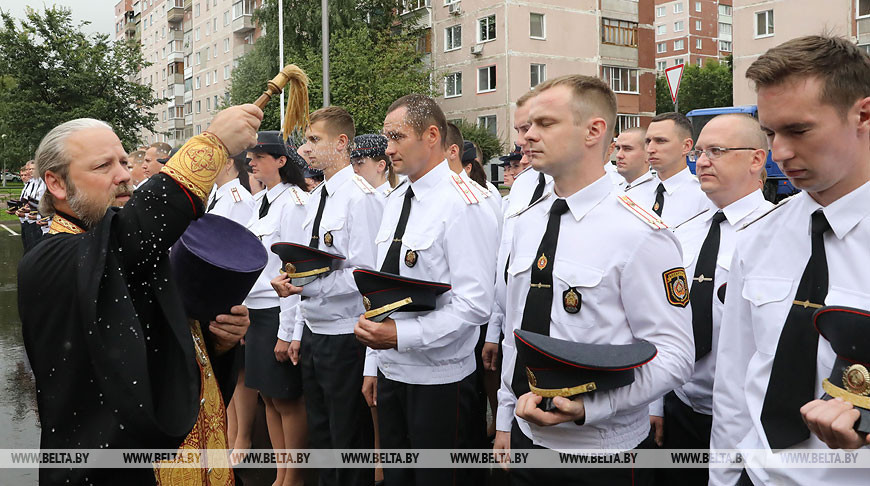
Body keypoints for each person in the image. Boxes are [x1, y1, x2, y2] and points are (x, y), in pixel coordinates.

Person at [18, 105, 261, 485]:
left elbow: (167, 351)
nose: (124, 175)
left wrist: (219, 342)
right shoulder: (52, 259)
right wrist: (212, 145)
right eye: (103, 167)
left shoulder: (134, 254)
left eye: (123, 161)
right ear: (57, 184)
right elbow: (133, 235)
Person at [493, 75, 693, 485]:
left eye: (545, 124)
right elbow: (520, 331)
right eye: (528, 125)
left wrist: (590, 407)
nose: (527, 136)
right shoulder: (529, 220)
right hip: (526, 436)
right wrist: (504, 416)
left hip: (602, 453)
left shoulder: (639, 233)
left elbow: (675, 356)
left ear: (594, 131)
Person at [711, 35, 870, 486]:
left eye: (798, 131)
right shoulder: (761, 235)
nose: (779, 154)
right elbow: (737, 380)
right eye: (770, 133)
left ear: (863, 114)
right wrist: (723, 477)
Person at [355, 94, 497, 486]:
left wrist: (400, 336)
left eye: (398, 137)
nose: (388, 148)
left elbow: (474, 304)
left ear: (432, 135)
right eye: (387, 138)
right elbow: (382, 286)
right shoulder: (397, 198)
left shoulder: (466, 202)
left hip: (440, 382)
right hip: (392, 373)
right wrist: (374, 363)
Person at [649, 113, 772, 485]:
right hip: (679, 407)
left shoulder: (776, 234)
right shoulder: (681, 234)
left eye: (716, 151)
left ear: (755, 160)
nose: (701, 161)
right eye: (699, 152)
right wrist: (655, 402)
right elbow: (661, 324)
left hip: (749, 420)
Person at [273, 106, 383, 486]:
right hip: (317, 330)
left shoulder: (361, 197)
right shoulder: (318, 196)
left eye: (314, 140)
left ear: (342, 143)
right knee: (322, 436)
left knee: (347, 437)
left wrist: (308, 286)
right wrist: (290, 286)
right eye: (306, 140)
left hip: (345, 333)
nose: (305, 149)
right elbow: (309, 263)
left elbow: (366, 275)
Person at [241, 131, 310, 486]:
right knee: (268, 398)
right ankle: (280, 476)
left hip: (277, 311)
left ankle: (294, 477)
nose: (251, 161)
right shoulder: (261, 200)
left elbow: (295, 270)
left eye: (259, 155)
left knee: (286, 399)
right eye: (250, 155)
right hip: (256, 310)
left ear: (281, 160)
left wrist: (289, 331)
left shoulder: (294, 201)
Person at [633, 112, 708, 225]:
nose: (650, 149)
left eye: (661, 141)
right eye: (648, 141)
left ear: (686, 146)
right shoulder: (634, 194)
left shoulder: (705, 197)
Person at [614, 127, 653, 191]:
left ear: (648, 154)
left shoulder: (658, 193)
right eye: (618, 148)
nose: (618, 155)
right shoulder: (612, 190)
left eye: (627, 149)